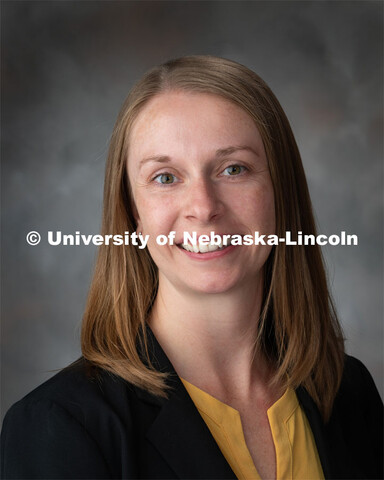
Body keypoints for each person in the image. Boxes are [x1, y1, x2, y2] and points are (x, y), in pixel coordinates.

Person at [1, 55, 382, 480]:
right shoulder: (61, 426)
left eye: (234, 169)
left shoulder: (348, 391)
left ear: (281, 191)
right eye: (165, 177)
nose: (203, 208)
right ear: (133, 214)